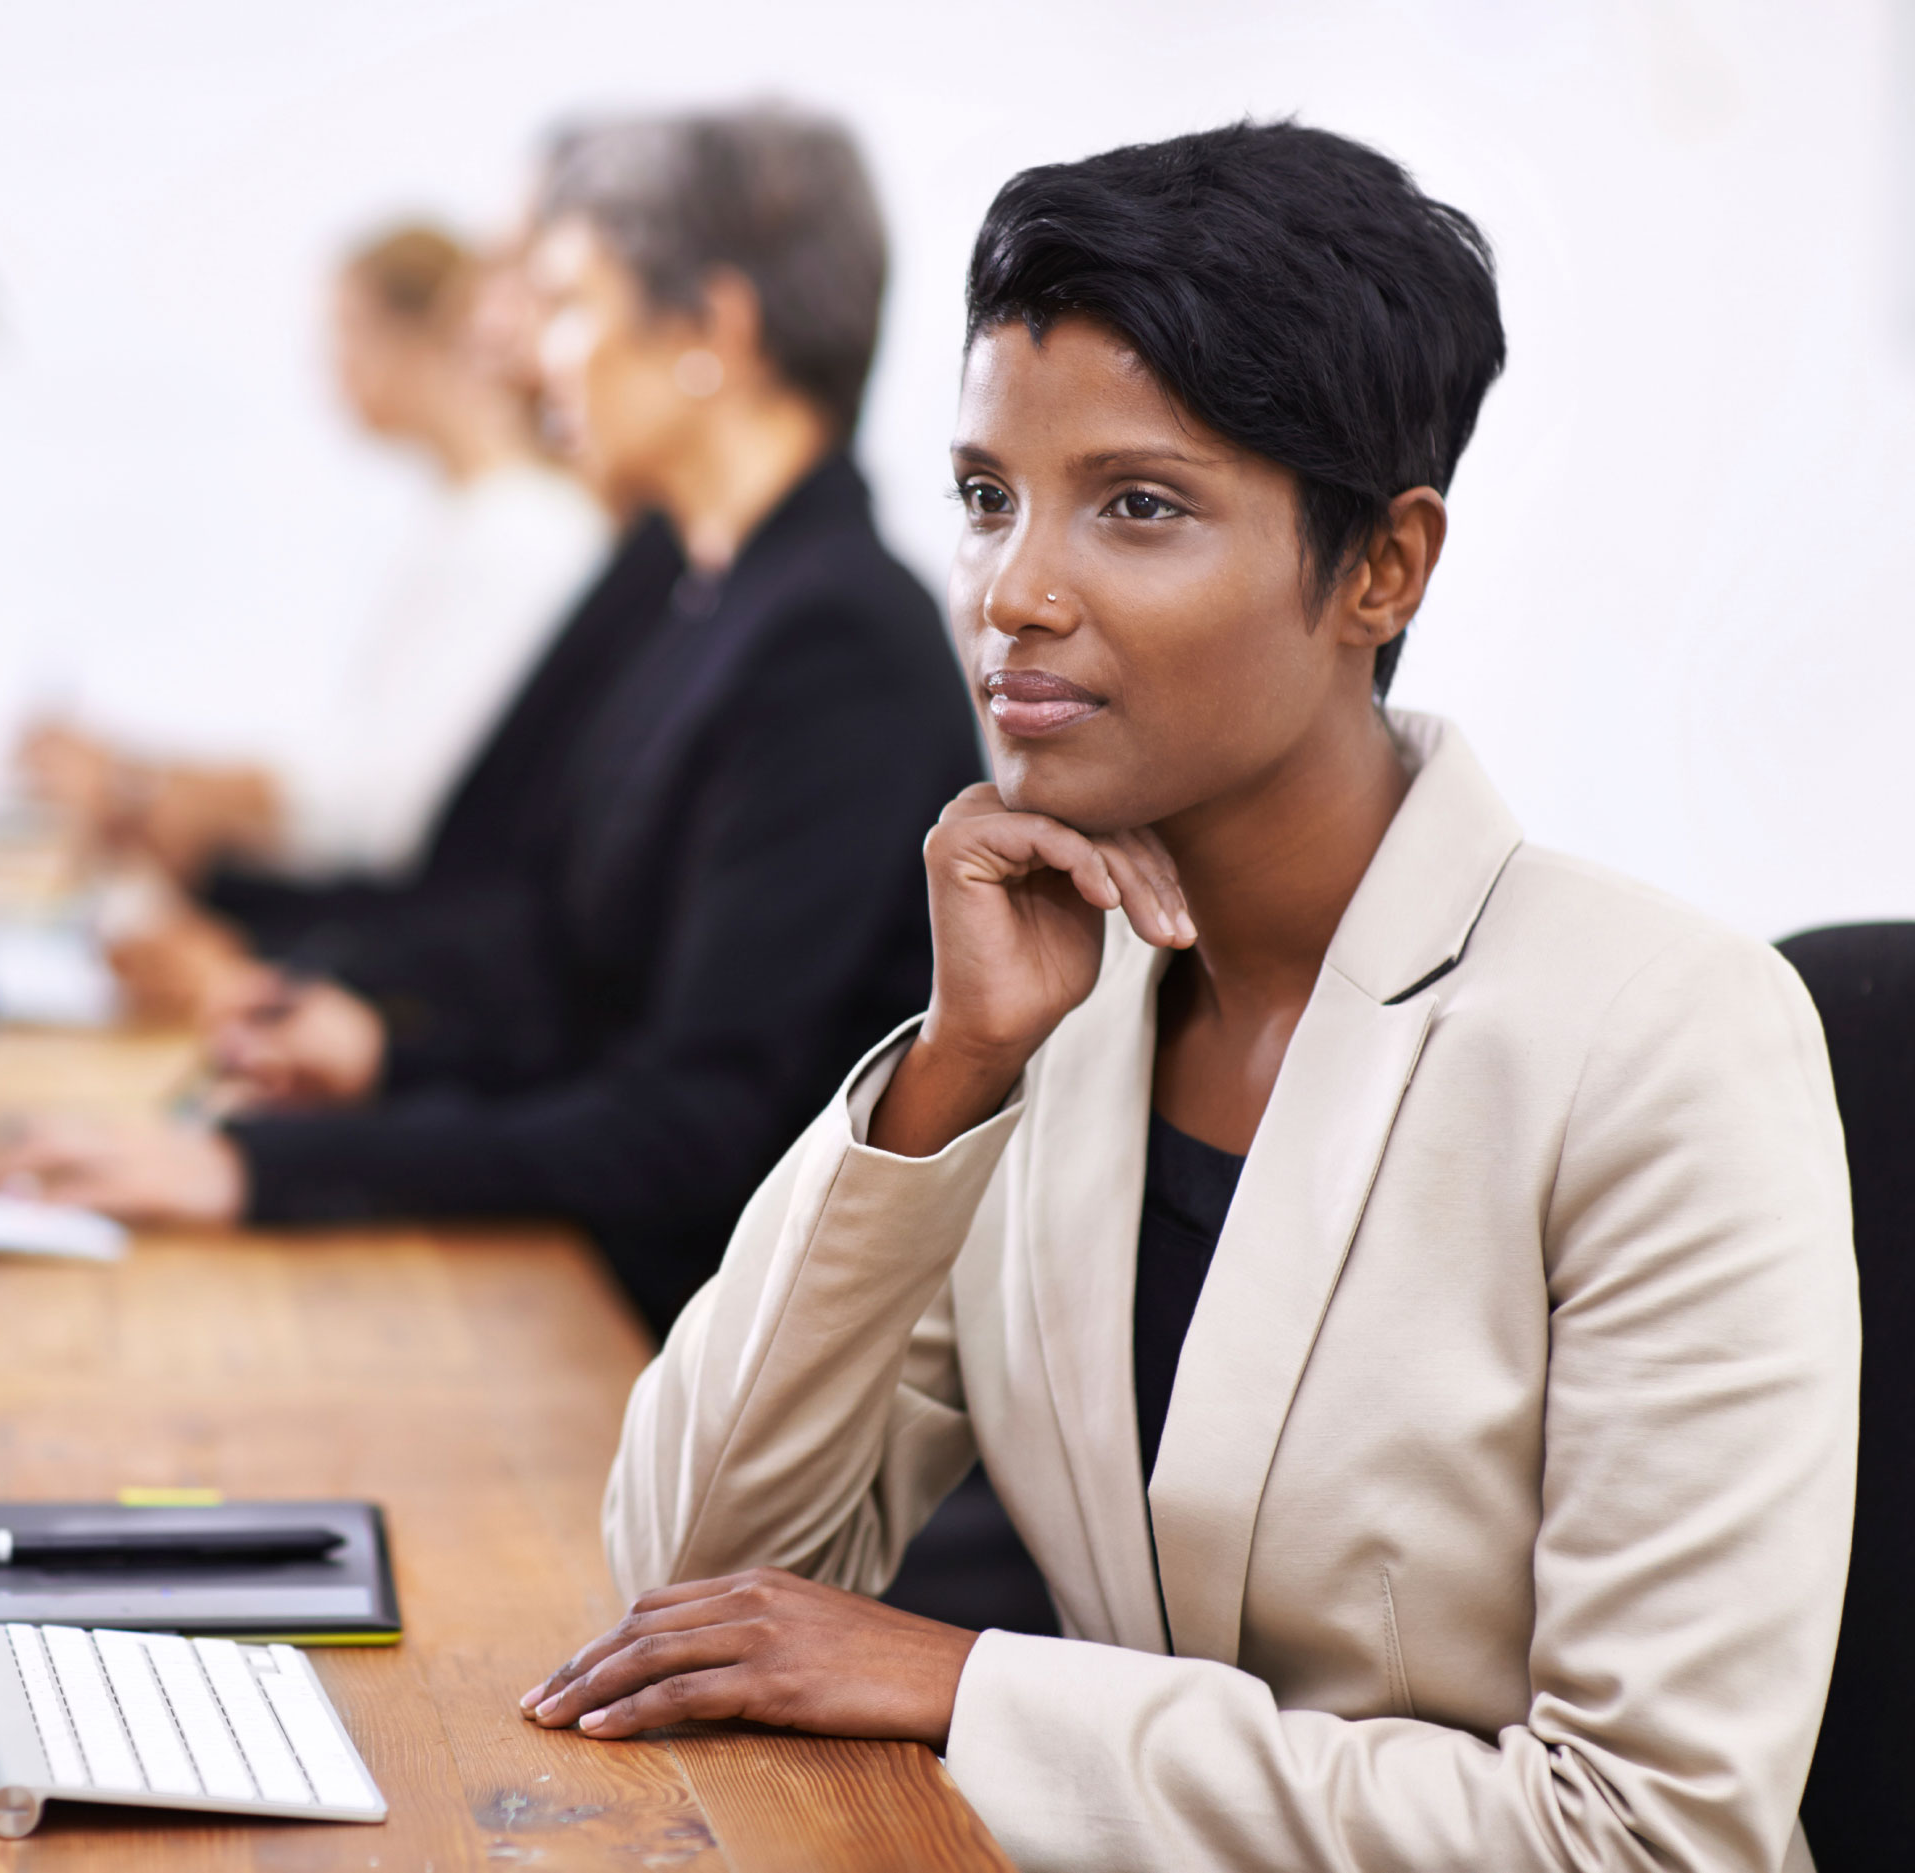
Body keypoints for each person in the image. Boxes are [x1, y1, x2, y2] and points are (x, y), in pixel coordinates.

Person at [522, 123, 1857, 1872]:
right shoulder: (1062, 1014)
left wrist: (975, 1689)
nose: (1011, 591)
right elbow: (695, 1574)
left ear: (1378, 568)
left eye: (1134, 504)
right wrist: (956, 1066)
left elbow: (1639, 1835)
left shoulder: (1652, 1041)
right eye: (987, 496)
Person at [0, 107, 986, 1335]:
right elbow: (563, 954)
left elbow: (700, 1127)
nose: (532, 357)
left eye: (568, 304)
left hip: (693, 1353)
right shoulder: (698, 591)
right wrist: (377, 1053)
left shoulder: (834, 643)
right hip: (605, 1284)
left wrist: (267, 1172)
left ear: (711, 332)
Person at [19, 221, 606, 900]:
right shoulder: (460, 523)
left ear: (423, 340)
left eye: (344, 334)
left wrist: (136, 784)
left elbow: (379, 808)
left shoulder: (525, 534)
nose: (329, 369)